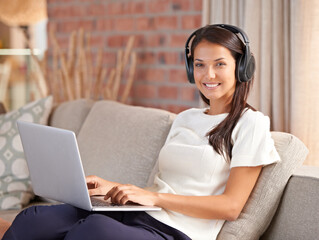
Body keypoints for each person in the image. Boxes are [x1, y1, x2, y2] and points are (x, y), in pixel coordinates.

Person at [3, 24, 280, 240]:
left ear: (242, 68)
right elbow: (162, 185)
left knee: (92, 231)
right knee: (34, 218)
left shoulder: (251, 124)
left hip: (178, 231)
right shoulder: (185, 119)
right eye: (199, 64)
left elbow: (231, 207)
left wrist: (156, 198)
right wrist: (112, 187)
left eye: (220, 64)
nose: (208, 75)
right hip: (141, 213)